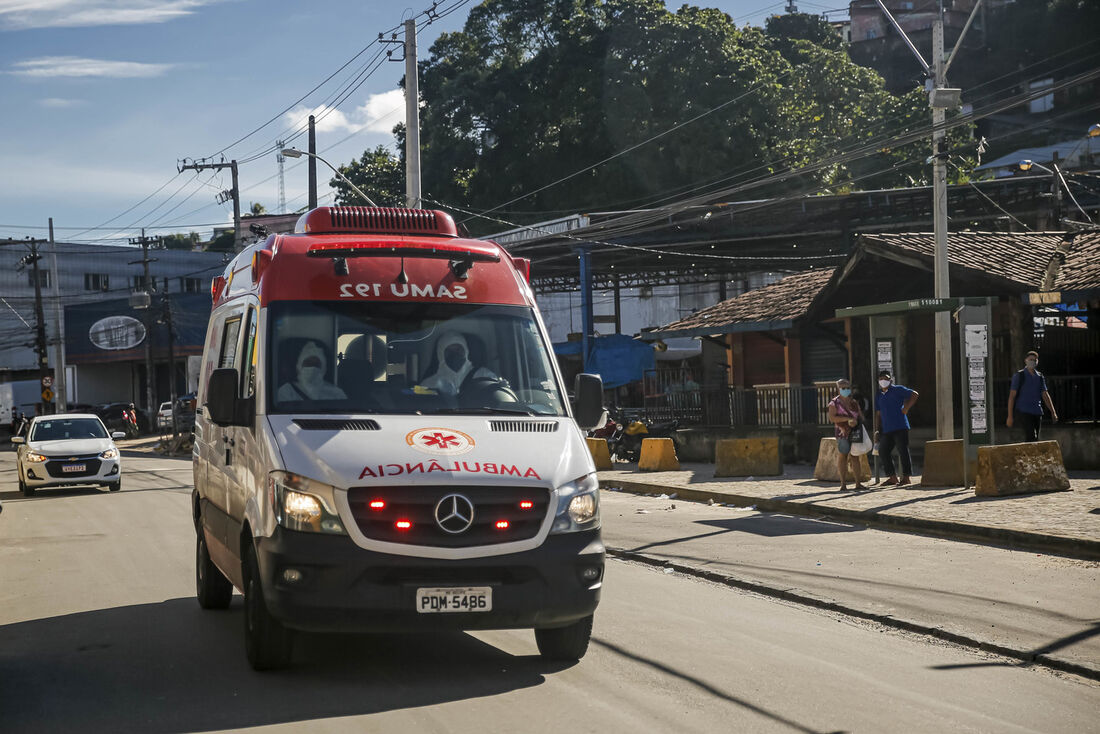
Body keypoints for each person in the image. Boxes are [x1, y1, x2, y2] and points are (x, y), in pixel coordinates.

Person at [873, 369, 919, 486]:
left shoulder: (897, 389)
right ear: (878, 381)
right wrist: (877, 429)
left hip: (900, 426)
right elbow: (878, 414)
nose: (884, 380)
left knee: (903, 451)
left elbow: (914, 394)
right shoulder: (878, 395)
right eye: (881, 379)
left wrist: (907, 407)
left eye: (886, 378)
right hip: (887, 429)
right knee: (883, 451)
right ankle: (892, 477)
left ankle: (906, 477)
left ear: (891, 380)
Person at [420, 332, 497, 396]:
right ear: (440, 354)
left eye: (458, 349)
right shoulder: (428, 384)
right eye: (449, 351)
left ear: (466, 351)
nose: (454, 354)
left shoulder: (484, 375)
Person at [1006, 350, 1058, 442]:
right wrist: (1010, 416)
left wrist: (1053, 412)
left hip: (1037, 411)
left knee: (1035, 438)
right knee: (1031, 436)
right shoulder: (1019, 375)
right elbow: (1012, 396)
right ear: (1025, 360)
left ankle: (1029, 456)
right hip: (1023, 411)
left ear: (1037, 362)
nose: (1032, 362)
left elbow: (1045, 395)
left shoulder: (1040, 376)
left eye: (1035, 360)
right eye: (1030, 359)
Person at [827, 378, 867, 491]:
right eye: (843, 388)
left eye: (847, 387)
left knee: (855, 456)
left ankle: (858, 483)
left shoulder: (854, 402)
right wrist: (848, 418)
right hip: (842, 433)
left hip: (855, 432)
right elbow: (832, 418)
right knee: (843, 456)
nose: (845, 390)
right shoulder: (834, 403)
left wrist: (858, 422)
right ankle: (843, 484)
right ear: (838, 389)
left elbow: (860, 416)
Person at [276, 340, 347, 402]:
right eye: (308, 364)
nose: (312, 368)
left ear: (323, 369)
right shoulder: (287, 391)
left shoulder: (336, 394)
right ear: (299, 367)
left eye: (316, 364)